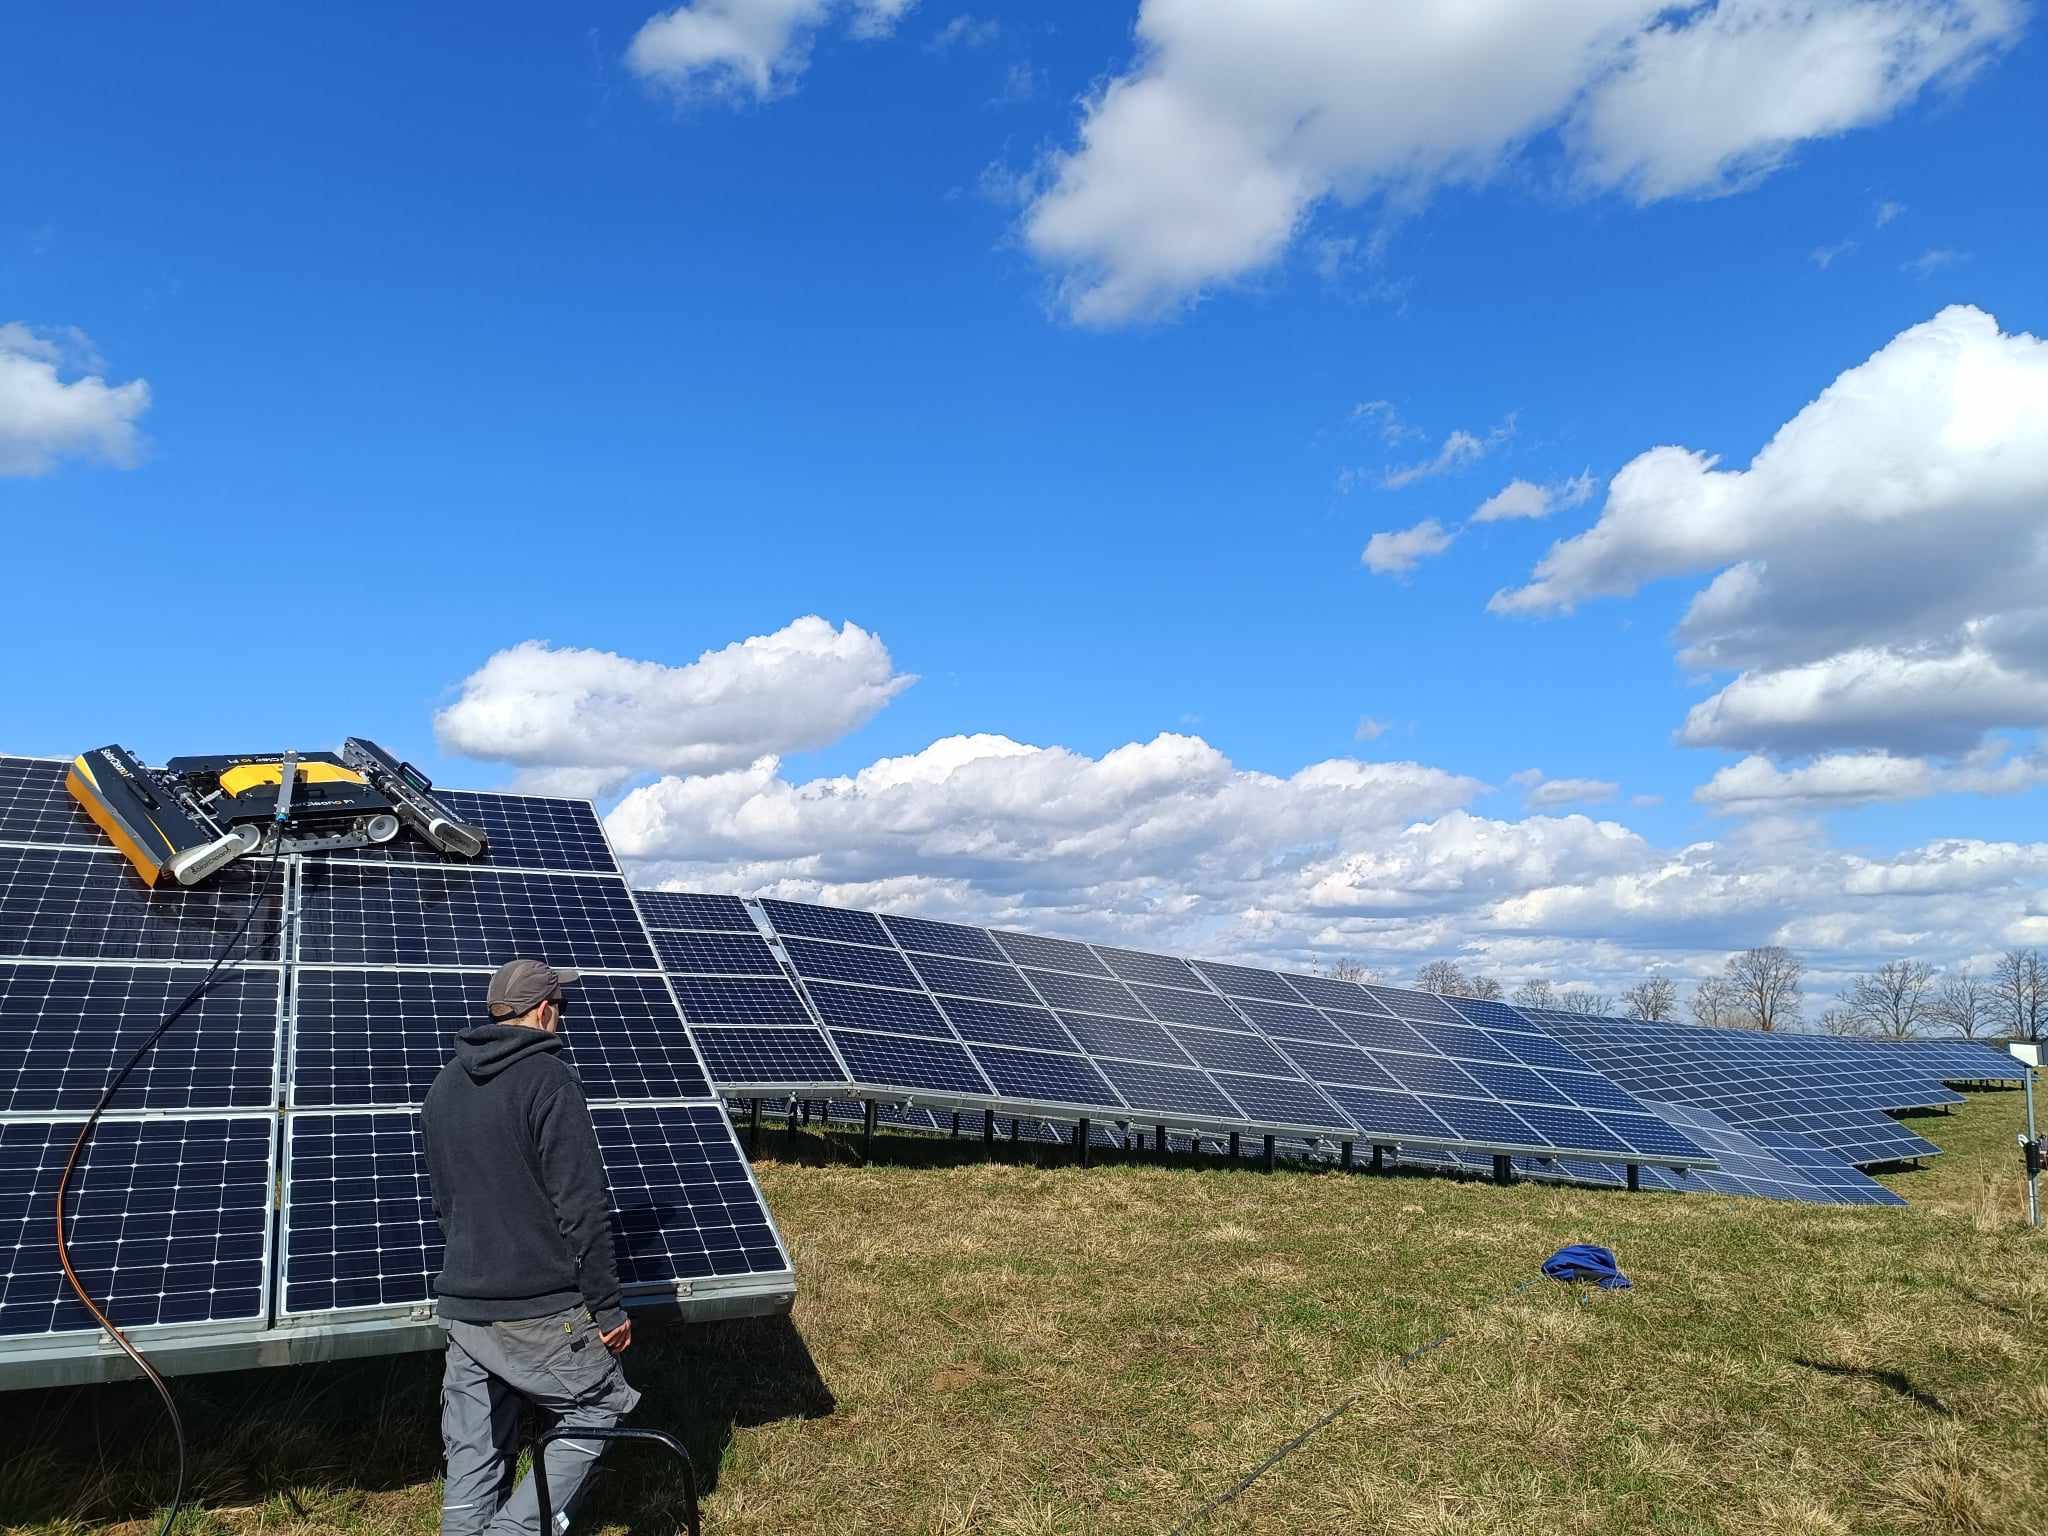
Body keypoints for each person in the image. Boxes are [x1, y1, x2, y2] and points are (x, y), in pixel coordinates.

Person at [422, 957, 640, 1536]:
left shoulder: (445, 1083)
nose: (563, 1018)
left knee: (474, 1449)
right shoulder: (549, 1079)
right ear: (543, 1010)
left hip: (465, 1306)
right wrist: (607, 1306)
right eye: (562, 1008)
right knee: (599, 1407)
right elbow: (583, 1206)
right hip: (538, 1308)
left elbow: (445, 1198)